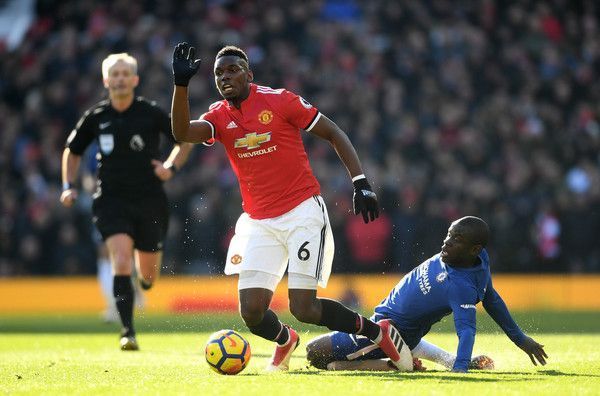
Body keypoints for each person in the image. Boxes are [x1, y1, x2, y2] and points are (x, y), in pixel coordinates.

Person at [170, 42, 407, 371]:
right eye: (218, 73)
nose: (225, 77)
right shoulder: (218, 116)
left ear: (249, 75)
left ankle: (376, 333)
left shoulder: (279, 100)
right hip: (259, 221)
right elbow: (181, 131)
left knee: (304, 307)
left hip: (301, 213)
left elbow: (334, 132)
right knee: (251, 312)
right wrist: (181, 85)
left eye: (233, 70)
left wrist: (360, 182)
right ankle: (285, 339)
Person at [60, 53, 193, 351]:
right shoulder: (96, 116)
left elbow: (184, 138)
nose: (119, 79)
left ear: (135, 80)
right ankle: (127, 331)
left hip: (149, 200)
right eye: (114, 74)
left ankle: (143, 285)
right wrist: (68, 186)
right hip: (111, 200)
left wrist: (170, 168)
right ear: (106, 81)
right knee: (120, 260)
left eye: (125, 74)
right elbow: (72, 150)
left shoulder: (150, 112)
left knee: (147, 276)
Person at [306, 216, 548, 372]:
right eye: (450, 234)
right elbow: (492, 297)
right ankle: (438, 359)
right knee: (406, 339)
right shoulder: (478, 260)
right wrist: (520, 338)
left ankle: (392, 364)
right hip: (396, 326)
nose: (447, 242)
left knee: (314, 353)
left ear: (474, 249)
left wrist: (461, 371)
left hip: (385, 333)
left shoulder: (460, 285)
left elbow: (467, 330)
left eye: (457, 239)